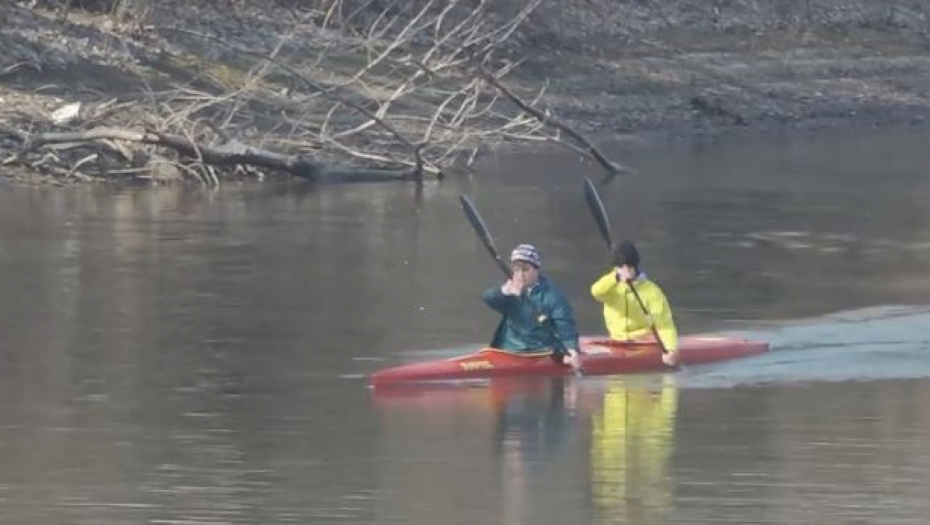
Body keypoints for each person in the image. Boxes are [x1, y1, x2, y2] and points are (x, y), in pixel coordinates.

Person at [483, 244, 581, 367]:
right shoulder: (509, 290)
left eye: (525, 270)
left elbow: (565, 326)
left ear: (536, 270)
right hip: (506, 349)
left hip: (538, 351)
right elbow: (489, 299)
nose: (520, 275)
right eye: (516, 270)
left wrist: (571, 349)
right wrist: (504, 291)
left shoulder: (553, 296)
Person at [590, 240, 679, 367]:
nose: (621, 271)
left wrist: (671, 350)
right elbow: (595, 292)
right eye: (617, 269)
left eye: (625, 268)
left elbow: (664, 325)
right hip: (617, 341)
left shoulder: (652, 292)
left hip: (643, 343)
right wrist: (615, 278)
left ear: (633, 268)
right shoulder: (610, 286)